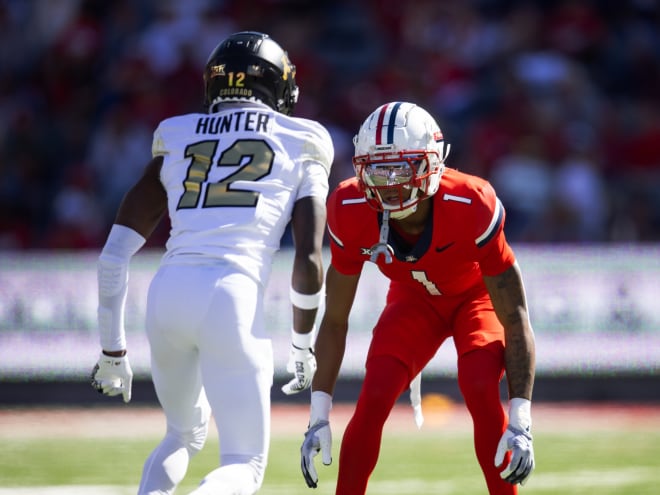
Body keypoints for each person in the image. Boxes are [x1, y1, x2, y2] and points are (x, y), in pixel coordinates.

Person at [90, 31, 333, 495]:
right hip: (232, 296)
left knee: (182, 434)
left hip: (167, 295)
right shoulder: (304, 138)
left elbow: (112, 257)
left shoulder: (177, 132)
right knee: (244, 463)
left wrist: (112, 352)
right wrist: (303, 346)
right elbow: (308, 257)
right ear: (278, 85)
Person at [298, 101, 535, 494]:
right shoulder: (349, 206)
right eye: (378, 169)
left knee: (479, 384)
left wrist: (521, 418)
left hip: (475, 297)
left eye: (399, 168)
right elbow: (335, 319)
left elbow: (516, 315)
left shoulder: (471, 202)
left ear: (431, 163)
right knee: (375, 391)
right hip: (413, 299)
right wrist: (318, 415)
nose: (388, 183)